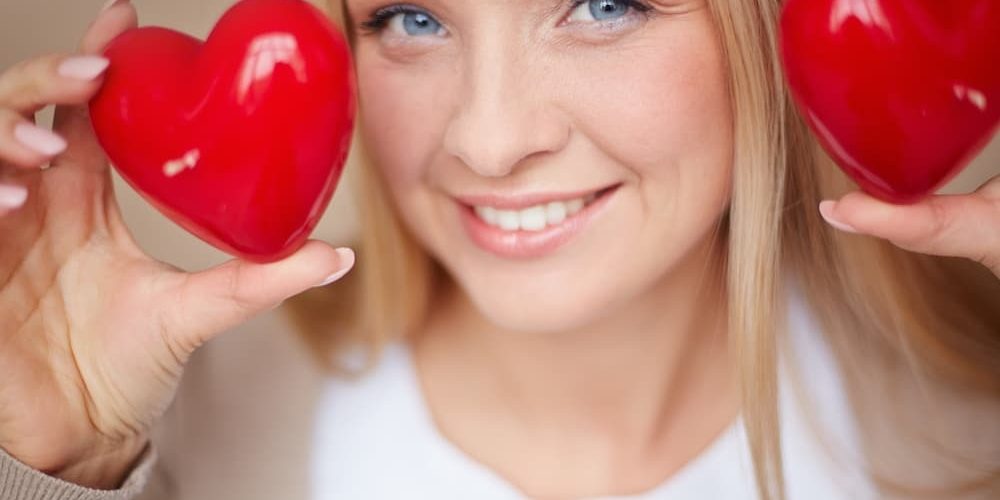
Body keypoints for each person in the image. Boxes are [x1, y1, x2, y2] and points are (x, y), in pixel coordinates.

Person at [0, 0, 998, 498]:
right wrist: (53, 465)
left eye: (603, 3)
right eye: (413, 18)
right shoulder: (189, 434)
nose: (486, 136)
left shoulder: (975, 403)